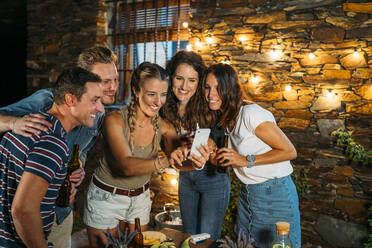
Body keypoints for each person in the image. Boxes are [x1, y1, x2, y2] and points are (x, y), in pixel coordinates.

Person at [0, 45, 119, 248]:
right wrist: (13, 123)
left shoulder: (96, 114)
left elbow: (80, 153)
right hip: (26, 215)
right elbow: (22, 210)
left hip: (58, 212)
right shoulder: (46, 103)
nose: (113, 87)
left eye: (115, 79)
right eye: (105, 81)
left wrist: (76, 170)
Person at [83, 61, 209, 248]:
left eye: (163, 94)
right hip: (106, 199)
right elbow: (126, 166)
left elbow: (179, 162)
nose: (158, 101)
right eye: (151, 94)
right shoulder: (114, 121)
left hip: (139, 200)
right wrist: (165, 160)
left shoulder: (164, 126)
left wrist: (197, 162)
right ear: (136, 90)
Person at [201, 63, 301, 248]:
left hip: (274, 193)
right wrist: (215, 158)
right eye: (207, 87)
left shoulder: (251, 114)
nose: (211, 94)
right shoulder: (225, 118)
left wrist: (245, 160)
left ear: (230, 89)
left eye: (218, 88)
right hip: (248, 195)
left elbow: (289, 151)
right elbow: (235, 159)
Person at [160, 51, 230, 240]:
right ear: (171, 78)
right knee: (189, 236)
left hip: (212, 178)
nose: (184, 86)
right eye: (179, 78)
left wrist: (211, 144)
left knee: (206, 239)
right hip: (185, 178)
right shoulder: (164, 107)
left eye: (192, 80)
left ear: (199, 83)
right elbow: (168, 149)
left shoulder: (210, 105)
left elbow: (220, 134)